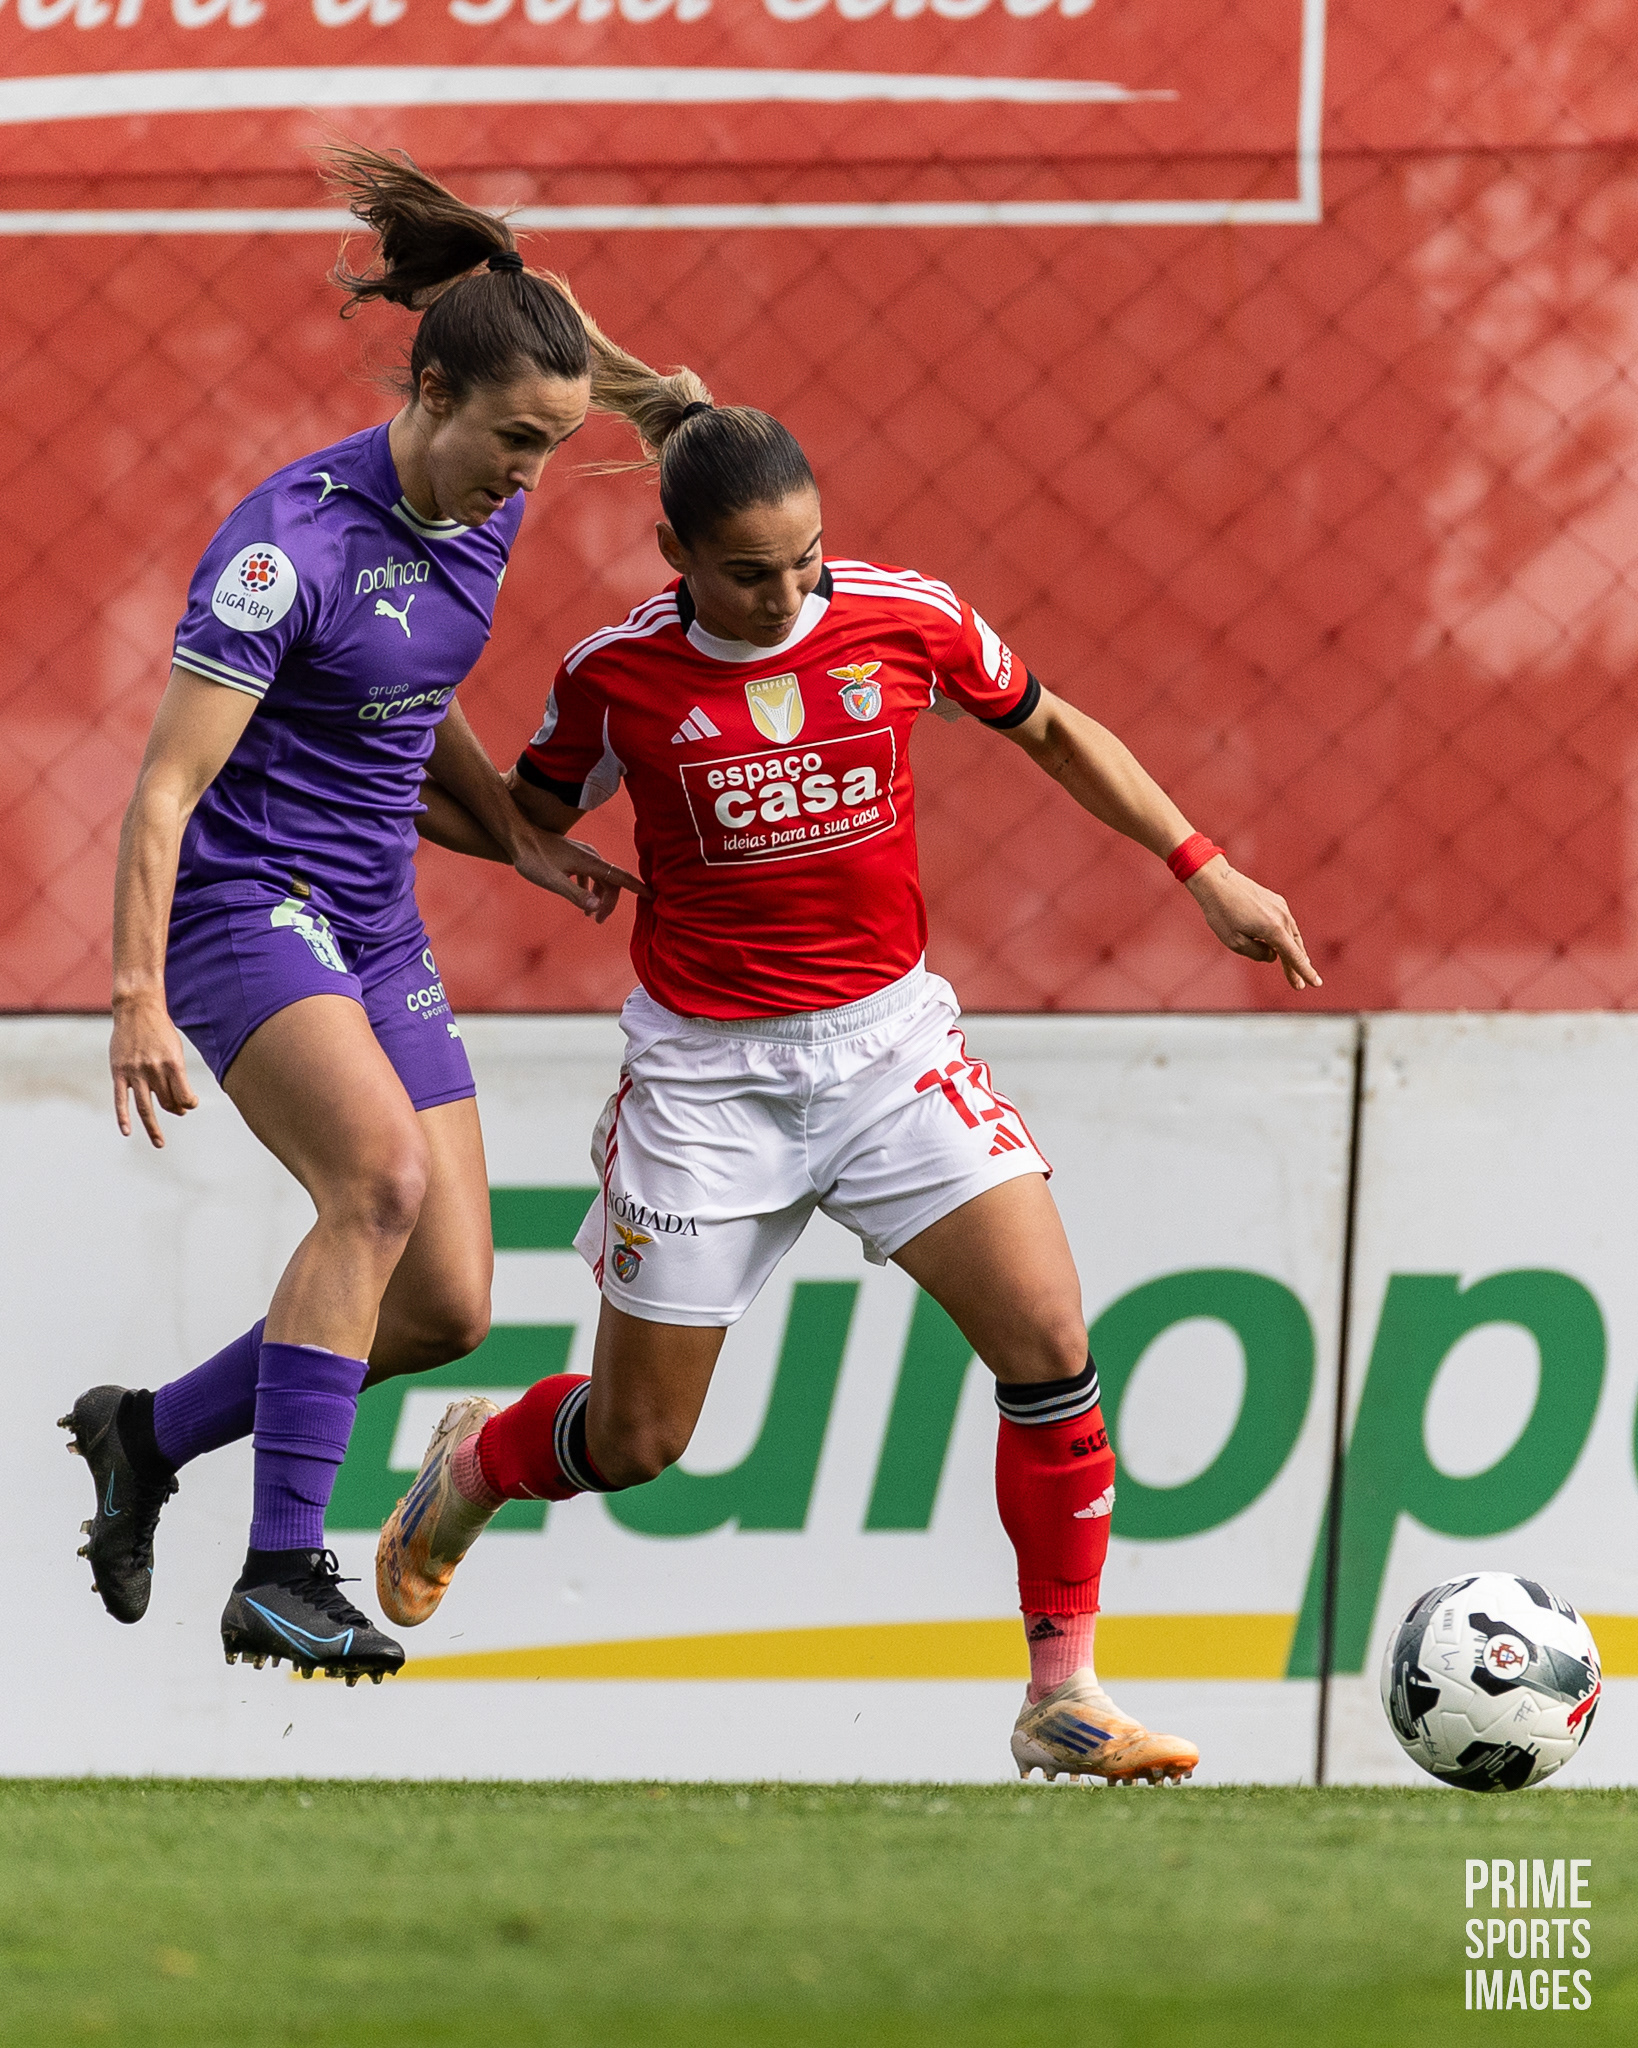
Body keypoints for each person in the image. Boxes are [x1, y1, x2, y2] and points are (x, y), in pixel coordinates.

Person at [376, 350, 1321, 1776]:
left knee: (1049, 1345)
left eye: (806, 558)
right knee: (636, 1442)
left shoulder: (904, 619)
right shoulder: (618, 679)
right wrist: (506, 837)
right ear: (676, 555)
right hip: (707, 1083)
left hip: (888, 1052)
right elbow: (515, 808)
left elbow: (1055, 730)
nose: (788, 594)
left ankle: (1061, 1694)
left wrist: (1207, 870)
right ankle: (477, 1464)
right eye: (751, 573)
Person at [60, 147, 643, 1686]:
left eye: (551, 447)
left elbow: (410, 698)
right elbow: (163, 793)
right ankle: (279, 1573)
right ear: (432, 394)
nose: (528, 477)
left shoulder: (485, 503)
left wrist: (514, 839)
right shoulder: (287, 551)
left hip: (375, 915)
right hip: (243, 908)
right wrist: (132, 995)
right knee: (375, 1184)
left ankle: (145, 1436)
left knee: (446, 1305)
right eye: (513, 441)